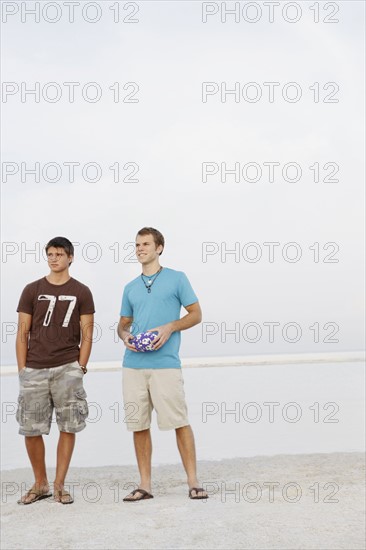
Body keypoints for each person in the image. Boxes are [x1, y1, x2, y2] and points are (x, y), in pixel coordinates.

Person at [118, 227, 208, 501]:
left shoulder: (177, 279)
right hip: (133, 365)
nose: (140, 248)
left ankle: (193, 481)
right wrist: (125, 336)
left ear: (159, 248)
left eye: (146, 244)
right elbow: (122, 325)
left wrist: (170, 326)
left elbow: (196, 314)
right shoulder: (130, 287)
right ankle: (145, 485)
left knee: (179, 421)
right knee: (138, 424)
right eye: (137, 245)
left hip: (166, 364)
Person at [16, 236, 95, 505]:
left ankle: (60, 485)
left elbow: (88, 334)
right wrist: (22, 369)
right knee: (31, 429)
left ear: (70, 257)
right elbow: (22, 333)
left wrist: (80, 367)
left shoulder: (82, 291)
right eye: (50, 254)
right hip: (35, 369)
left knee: (68, 426)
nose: (54, 258)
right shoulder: (31, 289)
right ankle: (41, 484)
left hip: (67, 368)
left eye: (59, 254)